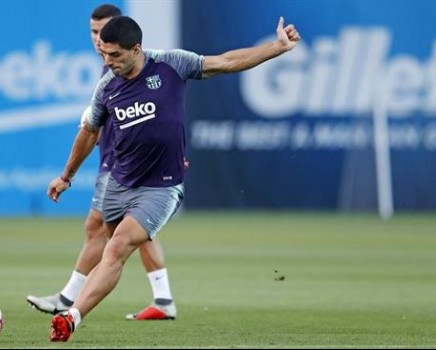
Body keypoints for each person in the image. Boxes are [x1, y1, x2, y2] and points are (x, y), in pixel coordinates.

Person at [46, 15, 301, 342]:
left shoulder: (171, 64)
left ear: (136, 49)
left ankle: (71, 316)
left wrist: (277, 48)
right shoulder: (107, 87)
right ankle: (160, 299)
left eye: (114, 55)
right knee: (117, 249)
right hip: (119, 184)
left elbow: (225, 62)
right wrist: (66, 176)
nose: (107, 62)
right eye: (103, 55)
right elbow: (89, 132)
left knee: (118, 247)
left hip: (161, 186)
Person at [26, 4, 178, 322]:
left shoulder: (134, 64)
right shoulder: (109, 68)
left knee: (100, 229)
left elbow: (157, 111)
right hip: (116, 160)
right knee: (132, 231)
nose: (99, 40)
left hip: (120, 165)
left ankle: (68, 298)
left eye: (103, 32)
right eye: (93, 33)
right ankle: (163, 299)